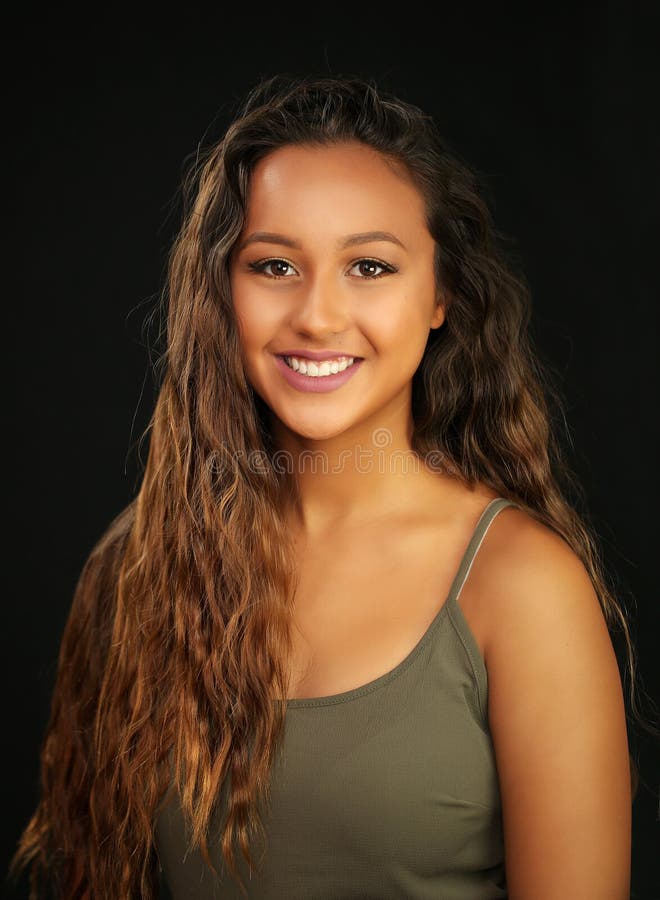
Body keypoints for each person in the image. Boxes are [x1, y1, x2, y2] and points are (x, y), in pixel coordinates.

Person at [10, 73, 643, 899]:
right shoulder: (135, 566)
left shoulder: (522, 589)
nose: (317, 314)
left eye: (370, 267)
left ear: (442, 295)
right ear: (221, 290)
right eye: (274, 264)